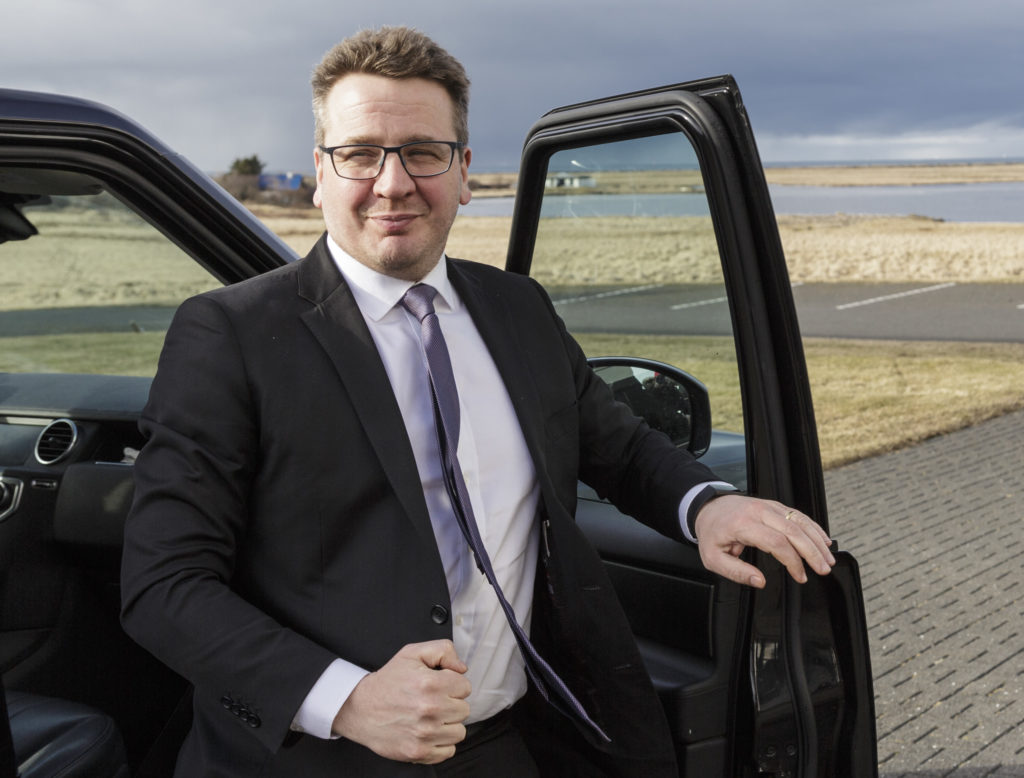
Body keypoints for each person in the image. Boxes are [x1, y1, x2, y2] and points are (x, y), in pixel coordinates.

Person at [120, 26, 835, 777]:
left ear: (463, 171)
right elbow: (164, 585)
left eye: (422, 153)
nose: (393, 183)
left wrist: (706, 507)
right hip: (318, 758)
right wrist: (347, 699)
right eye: (360, 154)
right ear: (322, 172)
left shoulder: (517, 307)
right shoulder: (230, 335)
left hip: (507, 741)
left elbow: (619, 448)